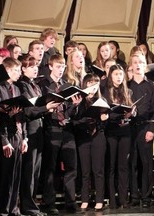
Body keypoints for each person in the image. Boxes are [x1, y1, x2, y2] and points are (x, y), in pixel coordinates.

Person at [38, 54, 81, 215]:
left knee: (72, 166)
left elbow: (70, 112)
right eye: (58, 66)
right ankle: (49, 203)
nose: (61, 69)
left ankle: (71, 202)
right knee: (50, 166)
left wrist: (75, 106)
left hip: (67, 128)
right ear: (50, 66)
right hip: (52, 127)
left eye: (63, 66)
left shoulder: (67, 85)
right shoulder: (43, 84)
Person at [17, 55, 60, 216]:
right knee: (29, 170)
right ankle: (28, 206)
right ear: (23, 69)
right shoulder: (22, 85)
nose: (35, 68)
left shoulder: (34, 84)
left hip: (39, 130)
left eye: (36, 66)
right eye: (31, 66)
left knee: (35, 171)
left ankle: (32, 204)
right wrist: (45, 108)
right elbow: (27, 110)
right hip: (30, 129)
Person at [0, 57, 28, 216]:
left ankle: (14, 208)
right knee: (5, 175)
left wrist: (25, 137)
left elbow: (21, 114)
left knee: (16, 175)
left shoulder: (18, 89)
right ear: (7, 70)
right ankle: (3, 209)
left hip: (18, 133)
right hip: (6, 134)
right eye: (16, 70)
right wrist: (5, 141)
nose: (19, 73)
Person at [72, 73, 108, 211]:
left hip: (98, 136)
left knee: (98, 170)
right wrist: (83, 120)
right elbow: (73, 119)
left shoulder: (101, 100)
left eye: (96, 83)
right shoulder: (79, 100)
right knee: (85, 171)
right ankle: (85, 199)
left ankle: (99, 199)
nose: (93, 87)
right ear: (85, 84)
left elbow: (105, 122)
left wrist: (105, 118)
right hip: (83, 137)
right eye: (90, 83)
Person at [102, 64, 136, 209]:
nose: (119, 77)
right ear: (110, 76)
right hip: (111, 131)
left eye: (121, 75)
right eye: (116, 74)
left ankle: (123, 199)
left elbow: (133, 110)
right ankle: (112, 199)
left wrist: (132, 113)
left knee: (123, 166)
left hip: (125, 131)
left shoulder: (128, 92)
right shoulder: (105, 92)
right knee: (111, 167)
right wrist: (116, 114)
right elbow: (105, 113)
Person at [128, 54, 154, 208]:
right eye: (135, 62)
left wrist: (151, 129)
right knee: (131, 163)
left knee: (146, 164)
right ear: (131, 66)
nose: (138, 65)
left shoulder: (152, 85)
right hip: (130, 128)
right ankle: (134, 195)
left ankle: (146, 196)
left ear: (145, 65)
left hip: (146, 127)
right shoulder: (126, 86)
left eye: (140, 62)